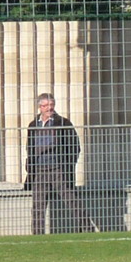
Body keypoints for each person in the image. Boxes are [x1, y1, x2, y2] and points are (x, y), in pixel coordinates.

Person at [25, 93, 98, 234]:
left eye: (51, 105)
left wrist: (68, 165)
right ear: (40, 107)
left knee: (72, 201)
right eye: (46, 105)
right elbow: (30, 148)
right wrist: (31, 165)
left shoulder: (63, 123)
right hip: (39, 170)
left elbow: (74, 146)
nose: (49, 108)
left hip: (58, 169)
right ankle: (37, 235)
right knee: (38, 206)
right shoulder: (33, 125)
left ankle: (88, 229)